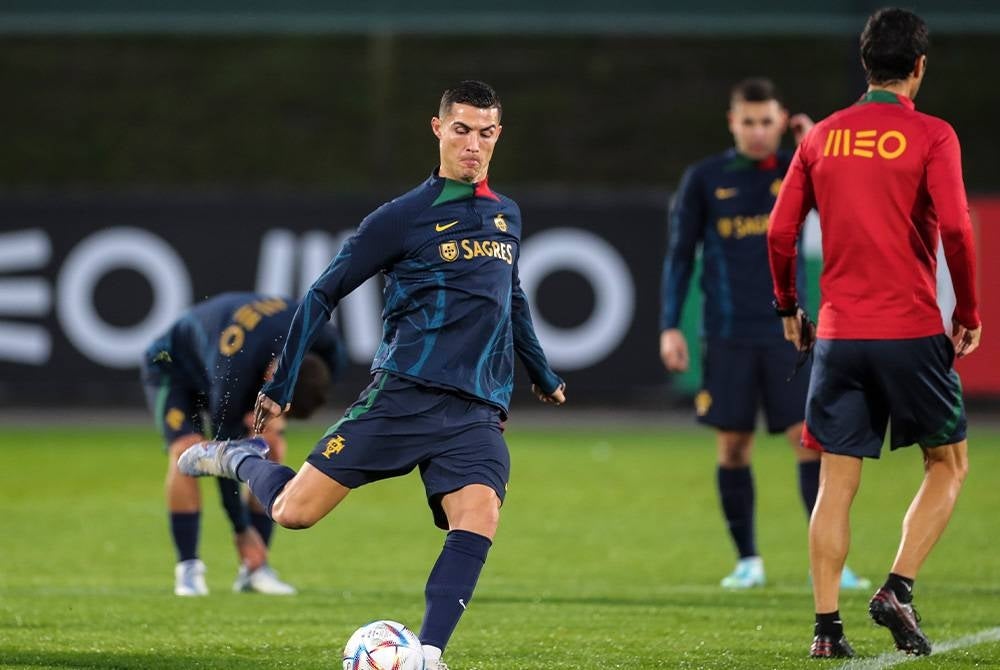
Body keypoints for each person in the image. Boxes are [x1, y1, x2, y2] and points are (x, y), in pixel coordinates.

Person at [179, 80, 565, 670]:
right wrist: (279, 388)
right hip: (403, 396)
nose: (473, 144)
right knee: (293, 513)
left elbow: (510, 298)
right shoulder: (401, 219)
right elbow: (321, 294)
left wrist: (540, 370)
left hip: (475, 409)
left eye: (485, 133)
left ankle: (429, 655)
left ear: (497, 136)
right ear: (437, 129)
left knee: (479, 513)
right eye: (460, 130)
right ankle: (238, 456)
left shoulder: (505, 215)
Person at [768, 8, 981, 658]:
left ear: (867, 65)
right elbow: (956, 230)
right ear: (918, 67)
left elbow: (781, 232)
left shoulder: (823, 137)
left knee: (836, 481)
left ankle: (826, 630)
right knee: (948, 463)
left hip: (838, 333)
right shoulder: (932, 135)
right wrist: (967, 313)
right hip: (911, 329)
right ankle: (898, 586)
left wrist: (789, 307)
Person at [659, 78, 868, 590]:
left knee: (807, 442)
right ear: (733, 123)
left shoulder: (802, 169)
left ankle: (830, 561)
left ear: (782, 120)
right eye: (748, 121)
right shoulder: (706, 178)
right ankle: (748, 560)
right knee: (733, 446)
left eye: (766, 121)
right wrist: (669, 325)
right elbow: (680, 255)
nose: (757, 131)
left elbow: (850, 205)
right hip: (727, 336)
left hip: (788, 334)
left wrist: (815, 146)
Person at [141, 291, 343, 596]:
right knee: (188, 450)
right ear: (270, 377)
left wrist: (272, 420)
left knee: (271, 445)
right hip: (174, 364)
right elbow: (222, 458)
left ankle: (255, 569)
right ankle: (189, 570)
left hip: (245, 365)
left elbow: (327, 375)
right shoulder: (233, 367)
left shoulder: (325, 341)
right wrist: (241, 529)